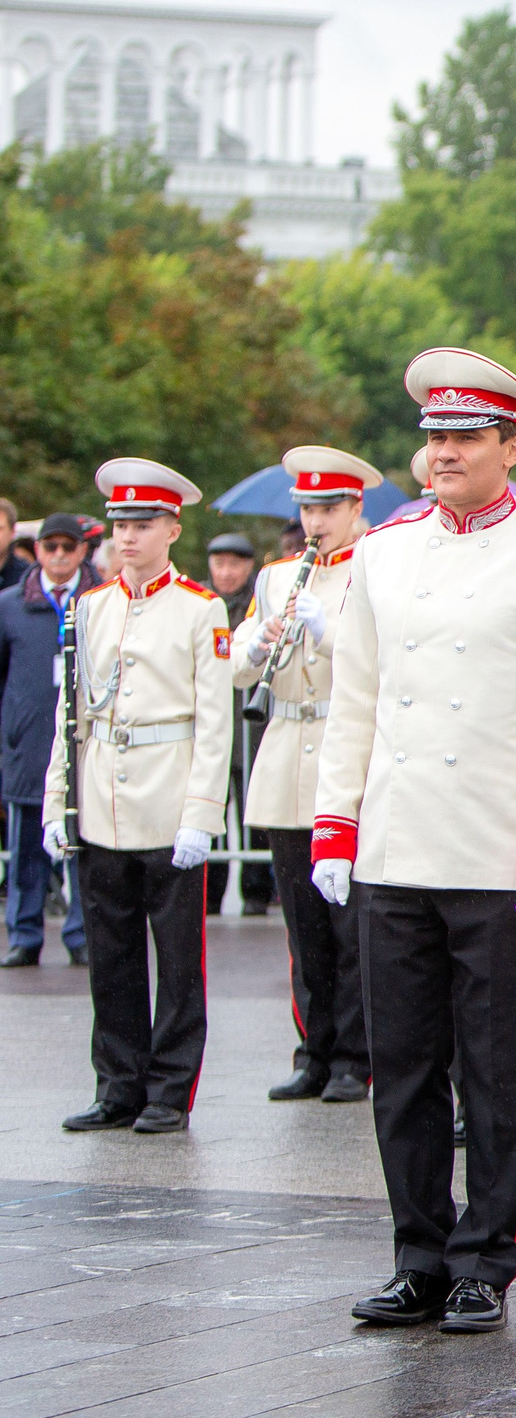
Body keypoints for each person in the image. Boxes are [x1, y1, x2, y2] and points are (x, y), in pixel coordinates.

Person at [317, 347, 516, 1335]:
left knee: (491, 1069)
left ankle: (485, 1258)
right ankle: (418, 1254)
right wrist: (335, 821)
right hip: (396, 845)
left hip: (496, 852)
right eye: (434, 435)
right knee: (400, 1065)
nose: (442, 451)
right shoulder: (383, 555)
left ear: (509, 446)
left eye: (464, 437)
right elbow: (351, 698)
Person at [43, 459, 233, 1136]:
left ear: (172, 528)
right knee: (111, 955)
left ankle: (169, 1088)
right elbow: (72, 713)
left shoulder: (199, 607)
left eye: (143, 523)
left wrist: (201, 814)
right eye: (121, 524)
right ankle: (117, 1084)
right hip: (101, 796)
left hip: (166, 793)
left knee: (178, 962)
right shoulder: (90, 606)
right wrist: (56, 801)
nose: (128, 537)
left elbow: (214, 724)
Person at [239, 446, 381, 1104]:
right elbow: (240, 665)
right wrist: (259, 643)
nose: (316, 520)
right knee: (303, 924)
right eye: (308, 508)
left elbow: (380, 662)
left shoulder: (376, 567)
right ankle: (314, 1048)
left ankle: (357, 1053)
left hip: (344, 747)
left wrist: (324, 633)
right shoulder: (275, 577)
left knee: (350, 920)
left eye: (329, 508)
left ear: (356, 508)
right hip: (289, 744)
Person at [2, 514, 96, 965]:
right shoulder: (10, 605)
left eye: (67, 546)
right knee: (25, 852)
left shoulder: (99, 599)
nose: (59, 555)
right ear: (36, 550)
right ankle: (24, 935)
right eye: (50, 546)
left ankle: (82, 935)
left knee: (82, 843)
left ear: (82, 551)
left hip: (82, 742)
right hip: (29, 741)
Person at [207, 529, 273, 917]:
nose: (227, 572)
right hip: (219, 725)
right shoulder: (205, 603)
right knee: (214, 808)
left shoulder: (257, 603)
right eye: (219, 563)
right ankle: (211, 891)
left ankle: (257, 890)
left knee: (254, 811)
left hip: (252, 727)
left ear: (248, 566)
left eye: (234, 563)